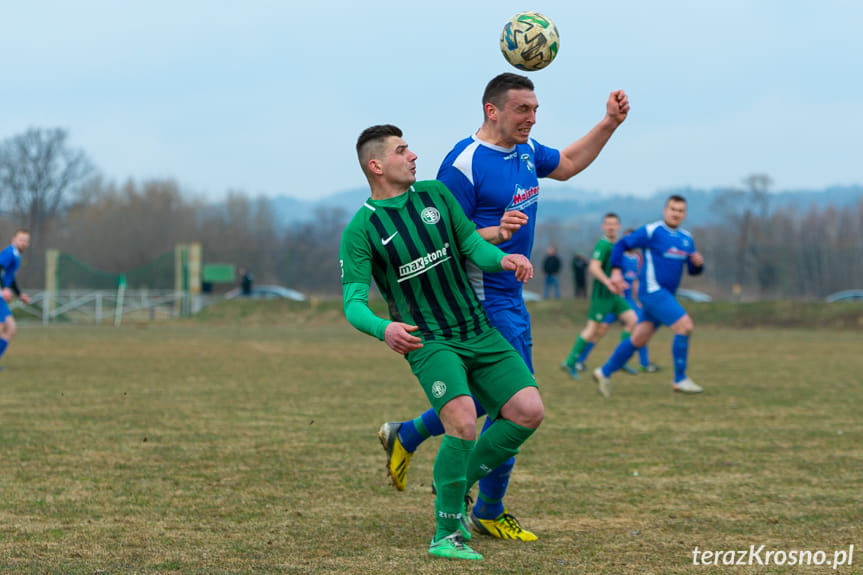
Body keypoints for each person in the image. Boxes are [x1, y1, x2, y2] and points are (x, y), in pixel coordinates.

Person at [377, 73, 629, 540]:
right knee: (515, 409)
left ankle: (409, 436)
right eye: (522, 110)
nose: (531, 118)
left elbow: (571, 162)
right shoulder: (464, 165)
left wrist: (609, 123)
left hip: (512, 295)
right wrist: (495, 235)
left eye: (535, 110)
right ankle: (485, 507)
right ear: (492, 110)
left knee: (486, 402)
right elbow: (441, 237)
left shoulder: (527, 151)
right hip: (481, 302)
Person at [342, 125, 543, 560]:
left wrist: (503, 258)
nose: (413, 155)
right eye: (401, 150)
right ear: (377, 166)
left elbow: (472, 245)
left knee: (528, 411)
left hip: (476, 328)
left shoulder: (435, 195)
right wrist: (384, 328)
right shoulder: (362, 229)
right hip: (429, 341)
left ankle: (456, 478)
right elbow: (353, 303)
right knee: (463, 420)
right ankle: (446, 534)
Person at [592, 195, 705, 396]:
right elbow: (621, 245)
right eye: (673, 209)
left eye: (680, 210)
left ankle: (604, 371)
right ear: (665, 211)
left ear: (684, 214)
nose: (676, 213)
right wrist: (616, 271)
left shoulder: (686, 238)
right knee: (685, 326)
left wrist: (698, 264)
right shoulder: (653, 231)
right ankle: (680, 379)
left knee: (638, 339)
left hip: (666, 295)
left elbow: (693, 270)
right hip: (652, 292)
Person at [561, 213, 639, 391]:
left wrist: (619, 282)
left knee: (633, 320)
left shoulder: (616, 245)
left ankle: (621, 360)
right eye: (608, 224)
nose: (611, 227)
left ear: (619, 226)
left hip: (614, 295)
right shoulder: (603, 245)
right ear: (603, 227)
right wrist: (609, 282)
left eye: (614, 224)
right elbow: (594, 267)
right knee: (592, 329)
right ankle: (570, 361)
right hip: (602, 295)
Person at [619, 229, 660, 373]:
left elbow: (636, 281)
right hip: (617, 299)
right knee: (597, 329)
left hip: (629, 299)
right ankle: (577, 361)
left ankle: (643, 363)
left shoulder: (637, 259)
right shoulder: (619, 256)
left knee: (641, 326)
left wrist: (639, 299)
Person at [0, 229, 31, 367]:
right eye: (21, 239)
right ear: (14, 239)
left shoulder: (17, 255)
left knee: (11, 328)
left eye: (26, 241)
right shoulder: (10, 252)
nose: (24, 243)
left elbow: (10, 279)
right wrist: (3, 289)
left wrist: (19, 294)